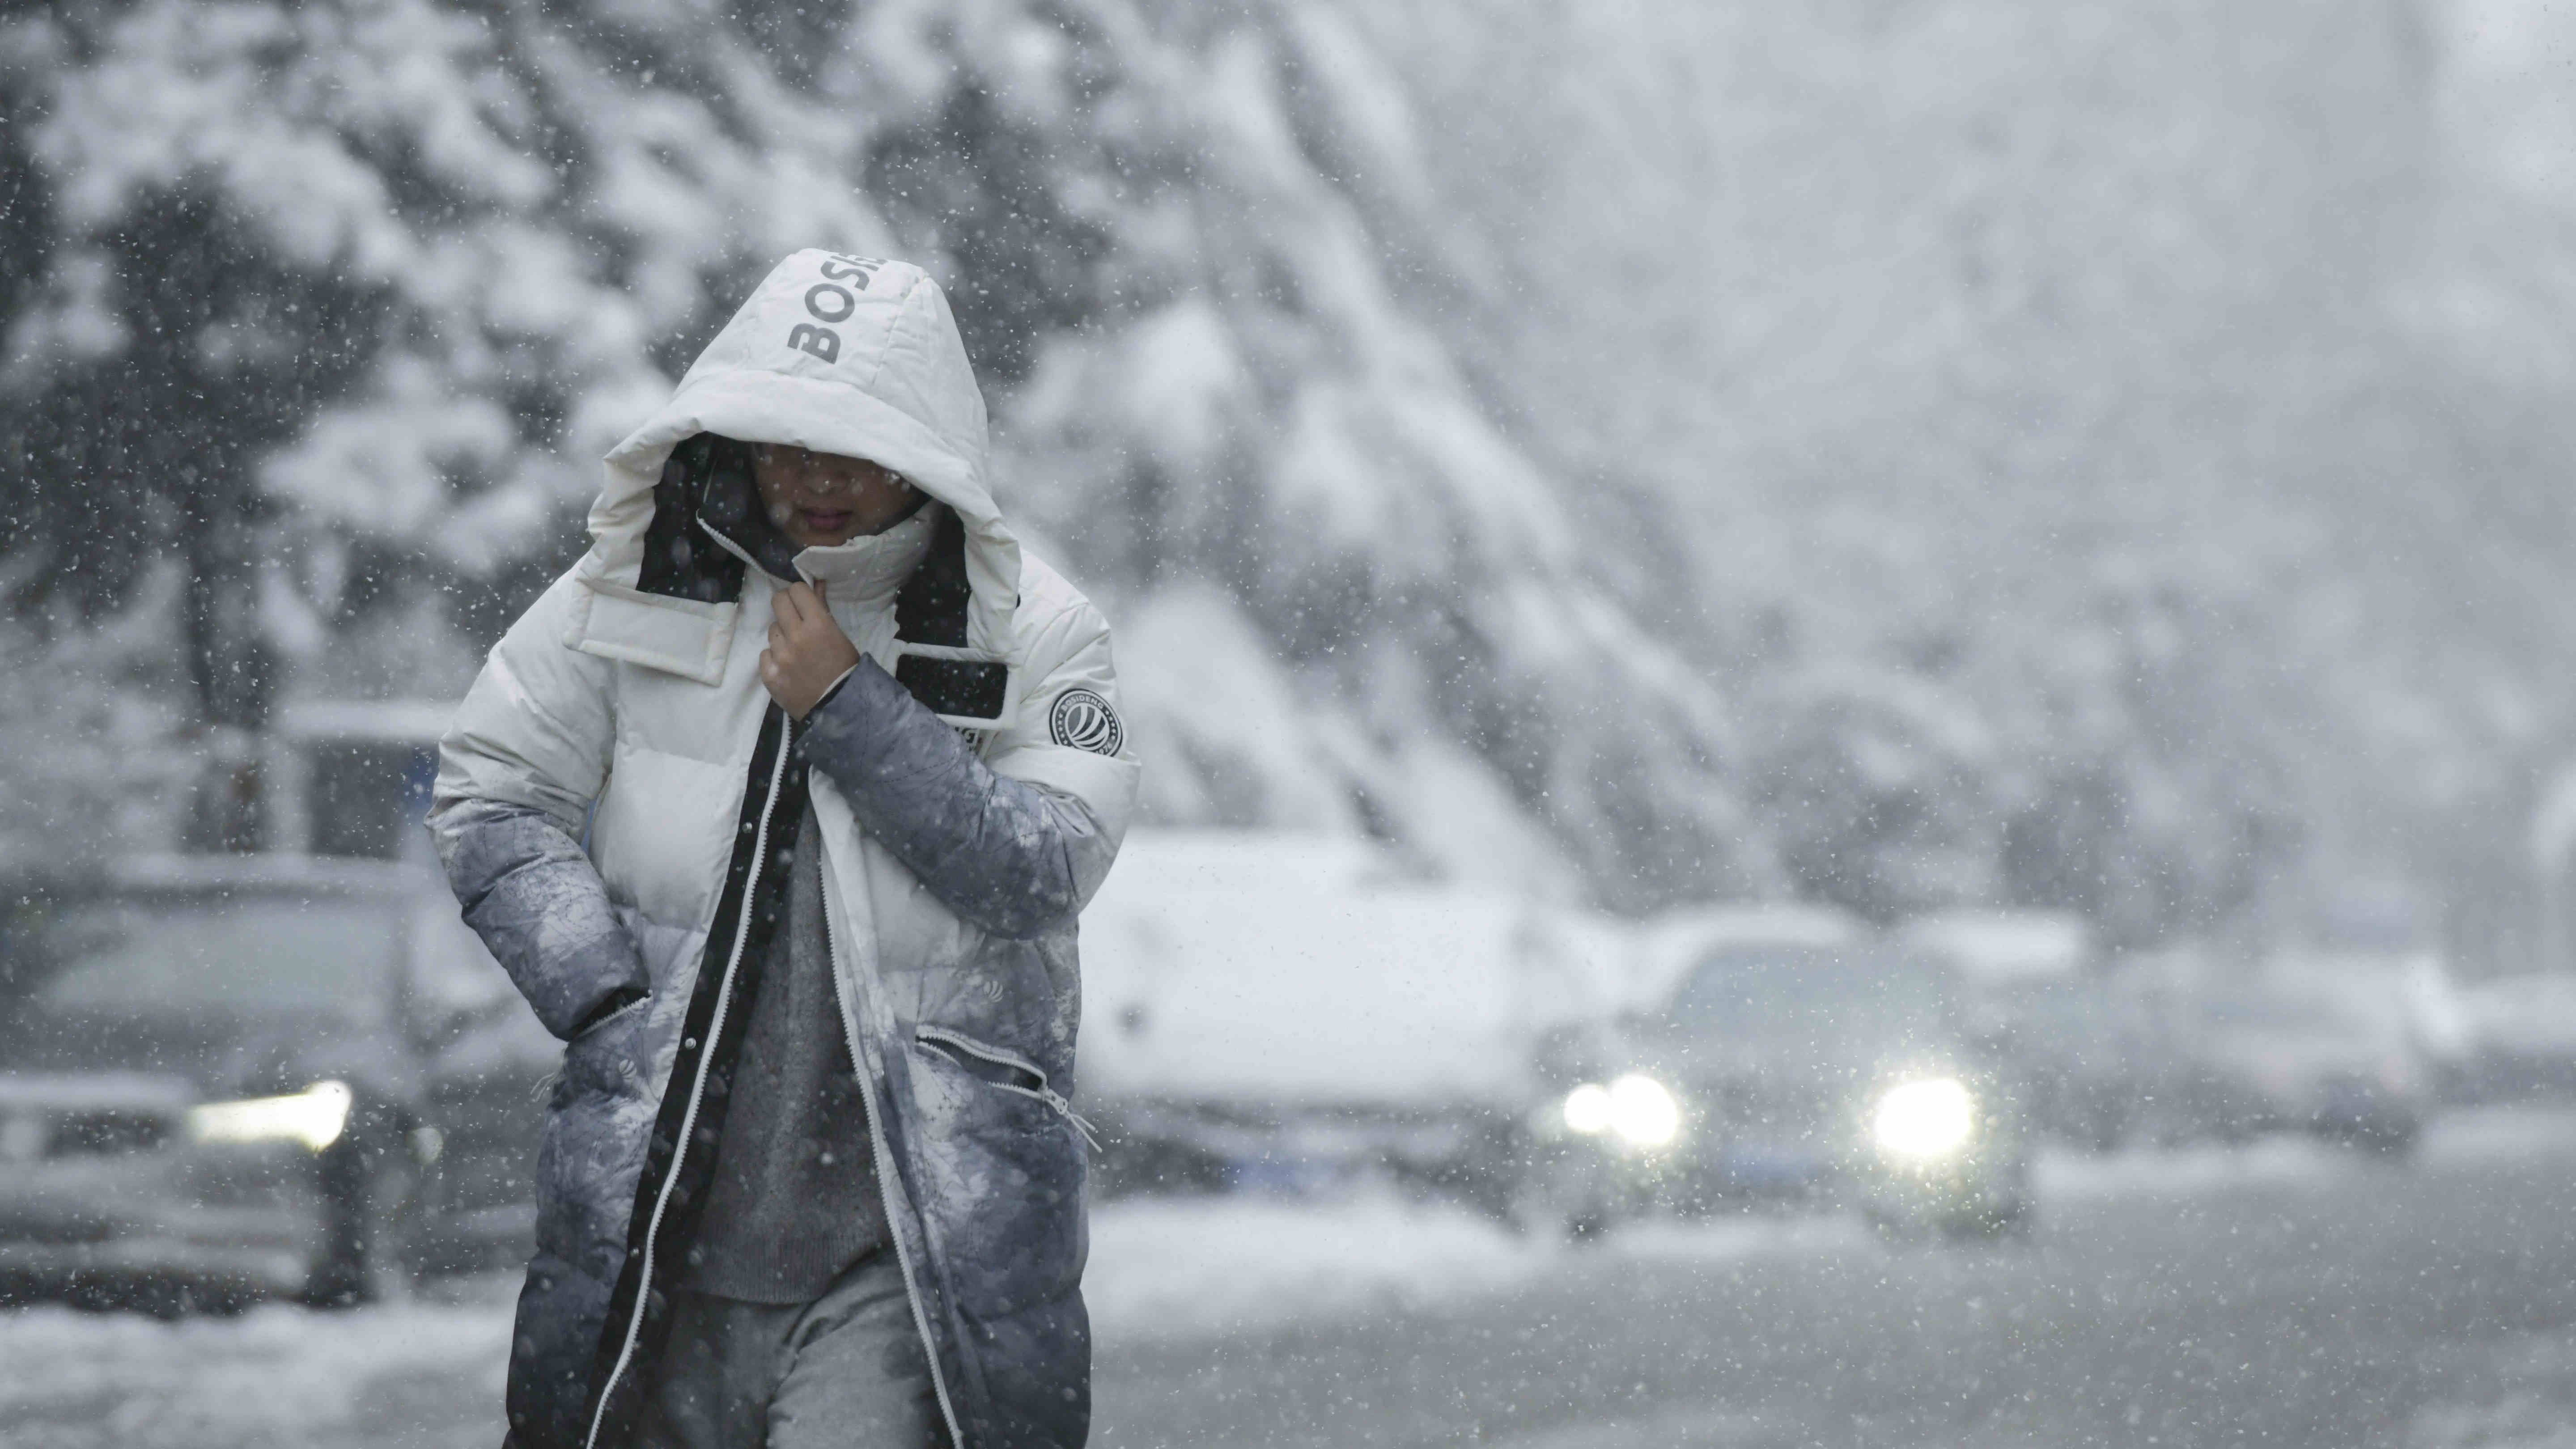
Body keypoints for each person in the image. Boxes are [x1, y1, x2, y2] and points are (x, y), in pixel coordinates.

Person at [432, 251, 1138, 1449]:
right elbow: (493, 792)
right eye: (783, 440)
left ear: (929, 452)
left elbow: (1046, 865)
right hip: (656, 1238)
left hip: (907, 1262)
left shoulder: (1040, 632)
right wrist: (603, 997)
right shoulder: (635, 588)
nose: (815, 478)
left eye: (856, 449)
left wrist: (850, 708)